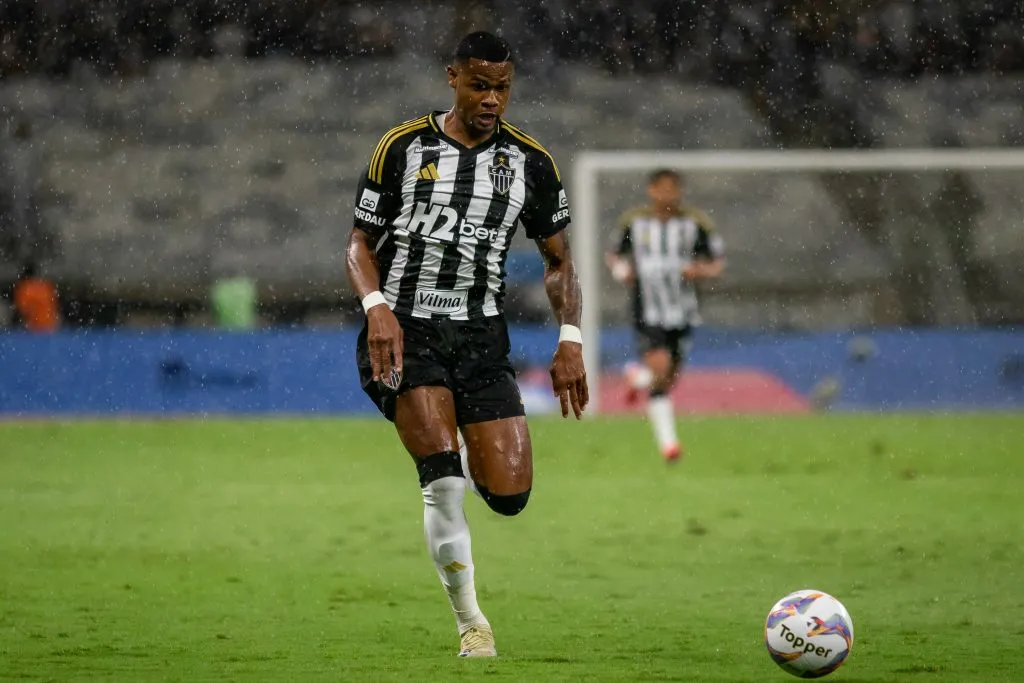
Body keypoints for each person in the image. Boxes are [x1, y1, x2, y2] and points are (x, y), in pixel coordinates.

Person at [344, 31, 588, 658]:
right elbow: (359, 245)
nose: (491, 99)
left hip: (481, 335)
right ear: (452, 77)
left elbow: (558, 260)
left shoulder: (531, 163)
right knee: (444, 482)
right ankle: (471, 624)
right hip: (406, 331)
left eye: (502, 88)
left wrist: (570, 336)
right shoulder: (401, 148)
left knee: (509, 496)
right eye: (479, 85)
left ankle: (457, 441)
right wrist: (376, 308)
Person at [604, 169, 724, 462]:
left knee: (667, 380)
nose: (667, 194)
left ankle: (638, 377)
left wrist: (700, 271)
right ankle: (669, 445)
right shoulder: (635, 221)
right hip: (648, 307)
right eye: (662, 188)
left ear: (680, 191)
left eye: (673, 188)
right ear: (651, 190)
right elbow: (614, 254)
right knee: (661, 368)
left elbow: (717, 261)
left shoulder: (695, 223)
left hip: (683, 308)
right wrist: (622, 271)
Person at [12, 261, 60, 332]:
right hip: (51, 327)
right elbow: (56, 306)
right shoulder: (46, 286)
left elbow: (22, 312)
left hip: (33, 329)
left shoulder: (24, 289)